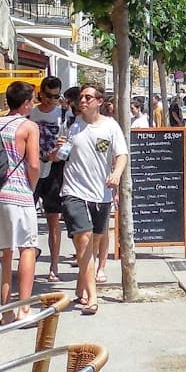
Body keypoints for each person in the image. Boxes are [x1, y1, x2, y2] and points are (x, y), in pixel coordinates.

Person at [59, 82, 126, 315]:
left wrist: (116, 174)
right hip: (73, 191)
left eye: (88, 97)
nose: (83, 101)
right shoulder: (71, 126)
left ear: (99, 101)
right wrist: (56, 151)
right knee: (85, 239)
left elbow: (121, 154)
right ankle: (92, 296)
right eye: (81, 97)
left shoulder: (110, 127)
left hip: (101, 193)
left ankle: (82, 283)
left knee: (95, 241)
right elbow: (59, 156)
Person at [0, 80, 42, 310]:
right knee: (27, 248)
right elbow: (34, 165)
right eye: (32, 100)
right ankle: (24, 307)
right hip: (18, 194)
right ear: (26, 103)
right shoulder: (28, 127)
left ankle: (4, 311)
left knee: (4, 254)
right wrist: (31, 187)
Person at [30, 75, 68, 283]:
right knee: (29, 219)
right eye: (48, 96)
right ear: (41, 94)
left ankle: (53, 264)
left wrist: (58, 153)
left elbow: (71, 142)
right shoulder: (31, 114)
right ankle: (31, 254)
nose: (51, 100)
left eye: (55, 97)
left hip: (54, 171)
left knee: (54, 220)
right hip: (33, 169)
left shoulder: (64, 114)